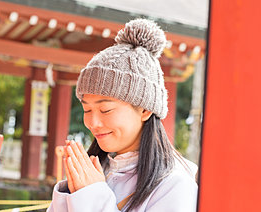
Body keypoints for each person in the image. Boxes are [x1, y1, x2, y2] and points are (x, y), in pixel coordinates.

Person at [47, 19, 198, 212]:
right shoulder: (96, 172)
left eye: (106, 110)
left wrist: (91, 195)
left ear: (145, 109)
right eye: (87, 110)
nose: (93, 123)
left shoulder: (175, 184)